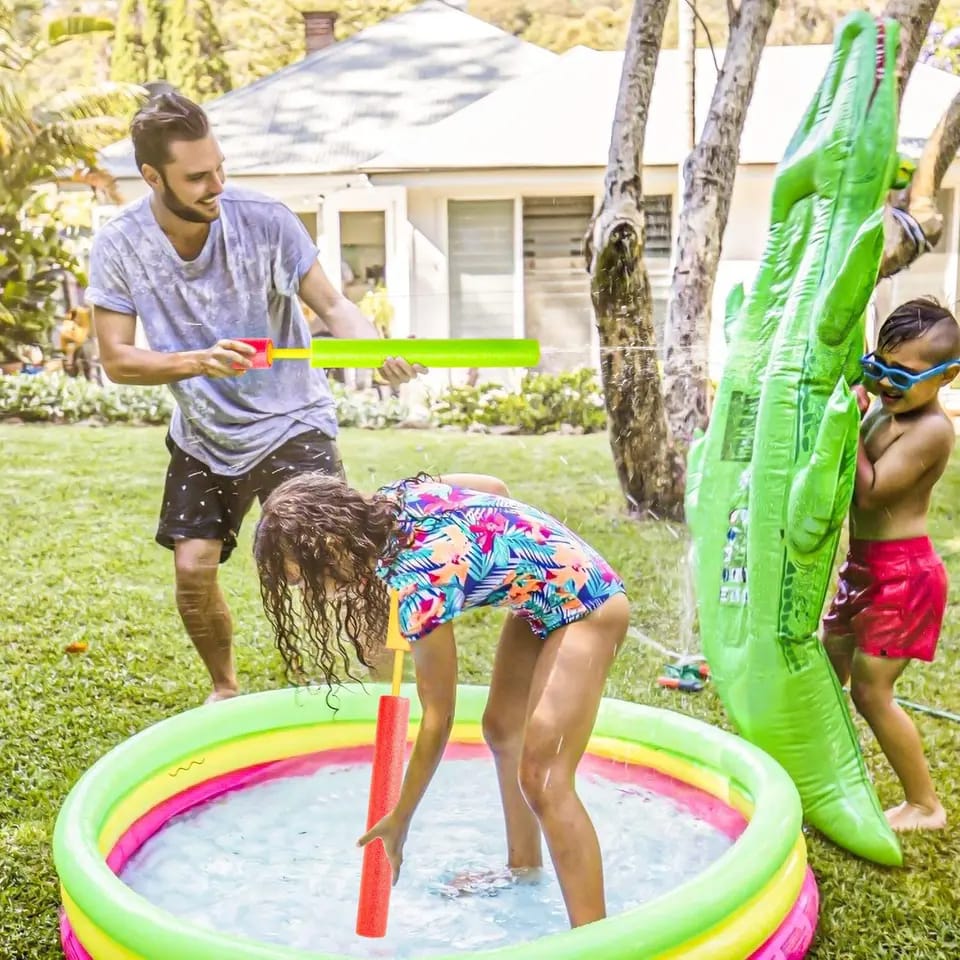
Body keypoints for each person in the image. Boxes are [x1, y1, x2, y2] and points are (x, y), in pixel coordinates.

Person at [84, 91, 424, 704]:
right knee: (193, 570)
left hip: (291, 420)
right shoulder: (119, 245)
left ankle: (396, 698)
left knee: (336, 563)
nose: (216, 184)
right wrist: (197, 361)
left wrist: (375, 353)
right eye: (197, 177)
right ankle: (224, 690)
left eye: (219, 167)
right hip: (205, 433)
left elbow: (335, 305)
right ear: (152, 176)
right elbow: (117, 359)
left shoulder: (265, 220)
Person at [252, 471, 630, 928]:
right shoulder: (395, 500)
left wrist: (400, 818)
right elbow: (495, 489)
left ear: (331, 549)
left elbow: (439, 717)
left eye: (309, 581)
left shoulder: (420, 582)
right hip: (541, 596)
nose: (319, 593)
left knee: (544, 776)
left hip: (589, 603)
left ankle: (595, 941)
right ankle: (523, 871)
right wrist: (515, 551)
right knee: (501, 729)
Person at [822, 296, 959, 832]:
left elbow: (873, 490)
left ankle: (925, 803)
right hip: (864, 568)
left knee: (870, 690)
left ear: (947, 376)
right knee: (828, 663)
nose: (884, 385)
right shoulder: (888, 407)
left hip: (904, 577)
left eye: (900, 377)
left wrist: (846, 427)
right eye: (877, 368)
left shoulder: (931, 431)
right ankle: (830, 772)